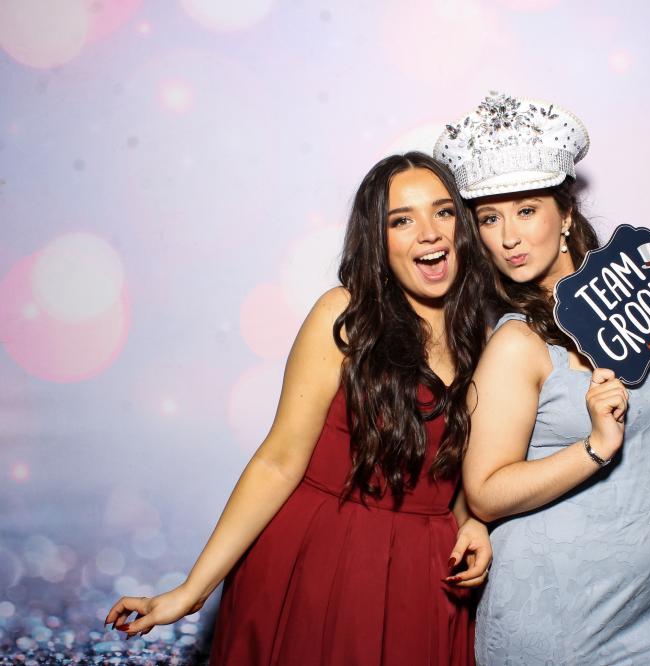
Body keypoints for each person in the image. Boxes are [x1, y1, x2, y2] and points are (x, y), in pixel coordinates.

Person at [105, 152, 495, 665]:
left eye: (442, 212)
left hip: (425, 574)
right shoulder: (346, 316)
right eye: (401, 220)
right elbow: (279, 460)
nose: (429, 233)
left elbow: (459, 476)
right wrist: (193, 590)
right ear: (377, 241)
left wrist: (475, 523)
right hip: (322, 557)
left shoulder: (485, 337)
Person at [434, 93, 650, 664]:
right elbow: (485, 493)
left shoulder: (637, 299)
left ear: (566, 214)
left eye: (526, 211)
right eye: (490, 219)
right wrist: (595, 447)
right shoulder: (517, 344)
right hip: (556, 619)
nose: (508, 237)